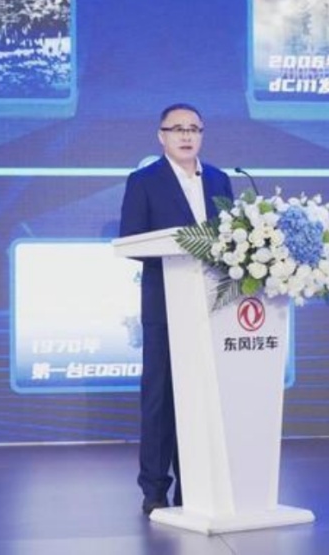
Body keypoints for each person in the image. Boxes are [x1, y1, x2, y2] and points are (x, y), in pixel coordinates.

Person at [119, 103, 234, 516]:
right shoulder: (144, 181)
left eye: (193, 129)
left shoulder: (219, 179)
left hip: (213, 306)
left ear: (202, 134)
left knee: (206, 399)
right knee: (160, 399)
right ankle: (154, 489)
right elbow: (130, 240)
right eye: (177, 129)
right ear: (161, 136)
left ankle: (197, 485)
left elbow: (231, 240)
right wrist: (179, 249)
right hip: (166, 305)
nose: (186, 135)